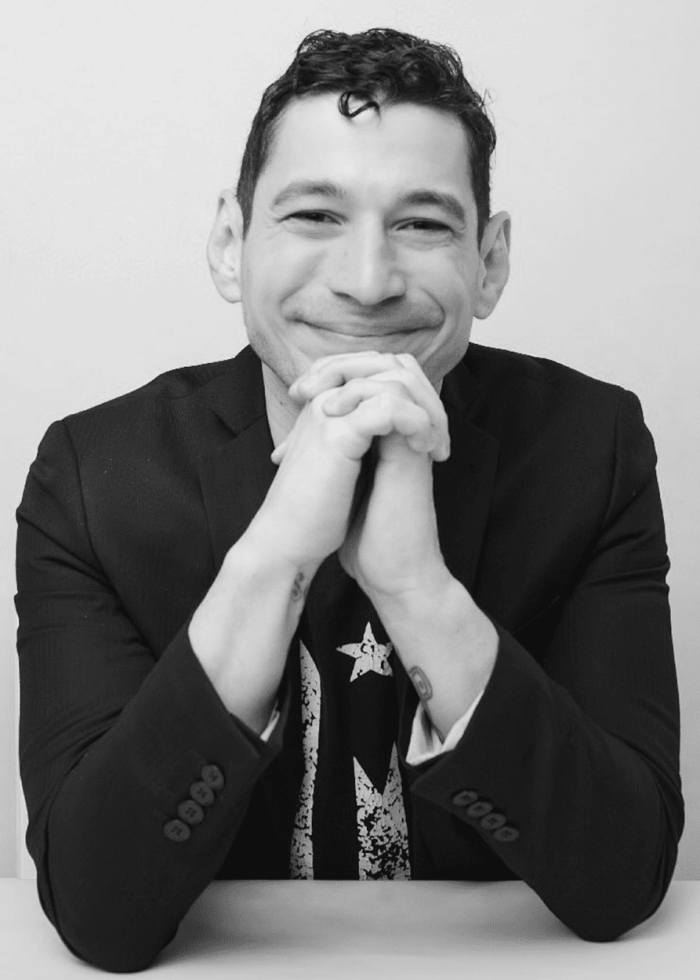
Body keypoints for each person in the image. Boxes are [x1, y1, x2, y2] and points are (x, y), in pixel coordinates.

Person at [15, 27, 683, 973]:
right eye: (315, 216)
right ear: (228, 244)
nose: (367, 282)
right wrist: (276, 555)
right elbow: (97, 913)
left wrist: (418, 590)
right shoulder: (92, 475)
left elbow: (623, 882)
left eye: (422, 223)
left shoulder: (593, 450)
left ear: (488, 263)